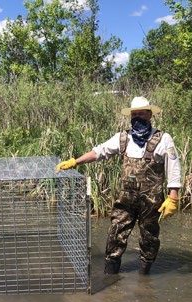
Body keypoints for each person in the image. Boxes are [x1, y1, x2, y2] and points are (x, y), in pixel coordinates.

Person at [56, 96, 181, 275]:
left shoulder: (163, 139)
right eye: (134, 114)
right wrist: (75, 162)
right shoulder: (123, 138)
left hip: (151, 203)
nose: (138, 117)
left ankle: (145, 280)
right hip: (126, 200)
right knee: (115, 235)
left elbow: (174, 166)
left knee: (149, 239)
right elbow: (99, 152)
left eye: (142, 114)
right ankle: (110, 276)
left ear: (150, 115)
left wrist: (173, 197)